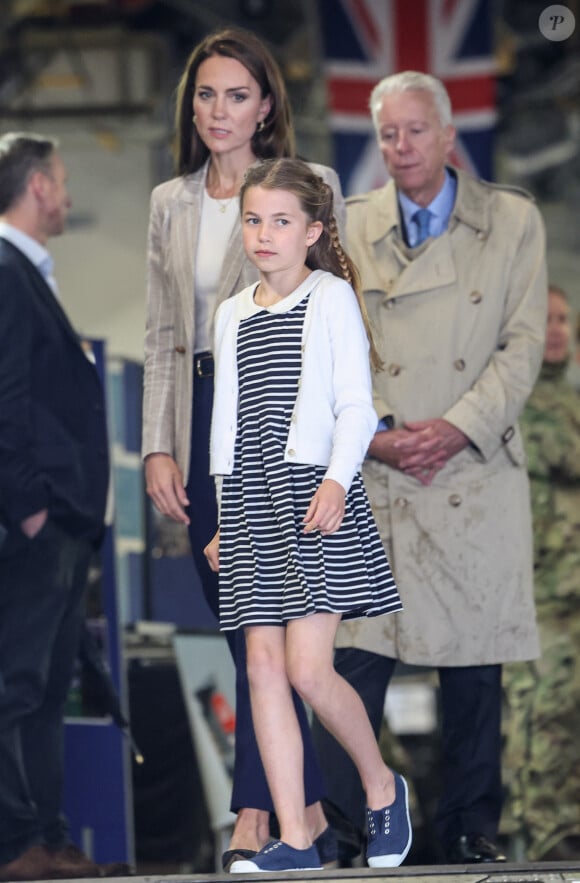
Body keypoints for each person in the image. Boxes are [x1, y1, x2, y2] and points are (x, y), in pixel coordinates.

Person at [311, 70, 548, 865]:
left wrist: (454, 427)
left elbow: (521, 348)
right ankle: (341, 823)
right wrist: (373, 431)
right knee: (355, 655)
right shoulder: (348, 223)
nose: (402, 147)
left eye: (416, 130)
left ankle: (469, 828)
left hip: (470, 468)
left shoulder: (511, 220)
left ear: (450, 137)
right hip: (378, 467)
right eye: (388, 133)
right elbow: (331, 339)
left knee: (476, 666)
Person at [141, 27, 344, 869]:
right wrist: (158, 444)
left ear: (266, 105)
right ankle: (312, 812)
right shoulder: (167, 202)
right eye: (205, 94)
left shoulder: (313, 184)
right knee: (237, 622)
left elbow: (335, 314)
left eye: (236, 94)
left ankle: (257, 815)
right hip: (202, 414)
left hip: (284, 413)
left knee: (274, 630)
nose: (218, 111)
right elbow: (160, 334)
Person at [203, 157, 411, 873]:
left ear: (314, 230)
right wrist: (227, 513)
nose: (264, 234)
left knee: (307, 668)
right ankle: (294, 837)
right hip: (254, 503)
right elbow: (225, 426)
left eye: (281, 221)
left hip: (314, 495)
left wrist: (336, 478)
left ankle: (383, 787)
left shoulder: (330, 297)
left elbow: (357, 403)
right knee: (261, 665)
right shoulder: (231, 312)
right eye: (253, 219)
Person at [0, 133, 116, 880]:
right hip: (39, 521)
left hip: (65, 521)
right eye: (64, 180)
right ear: (39, 185)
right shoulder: (6, 271)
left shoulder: (25, 272)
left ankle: (43, 834)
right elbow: (4, 398)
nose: (69, 195)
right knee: (17, 685)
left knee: (43, 692)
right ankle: (14, 842)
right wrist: (29, 505)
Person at [501, 284, 580, 862]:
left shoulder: (570, 403)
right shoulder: (516, 404)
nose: (556, 330)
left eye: (563, 320)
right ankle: (543, 836)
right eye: (545, 319)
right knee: (542, 716)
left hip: (573, 594)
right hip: (539, 595)